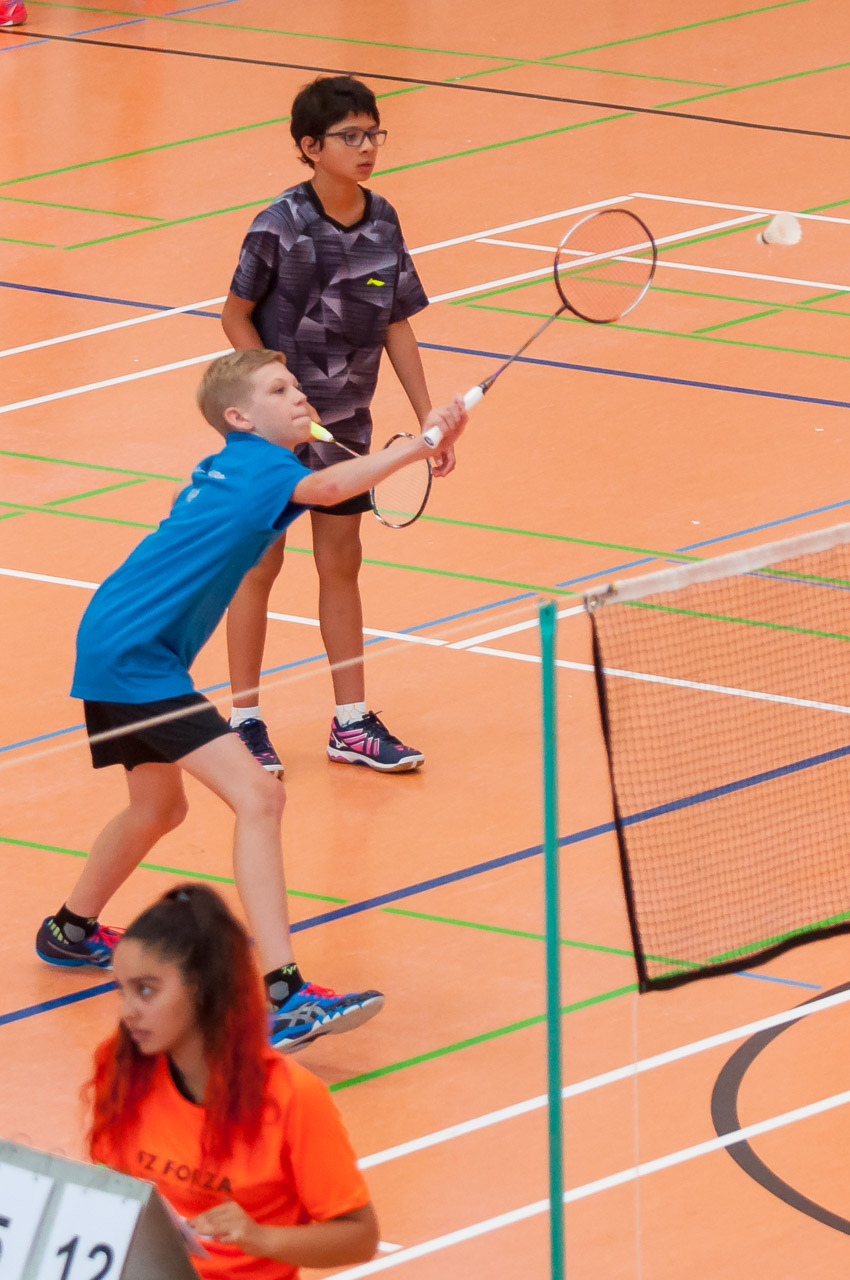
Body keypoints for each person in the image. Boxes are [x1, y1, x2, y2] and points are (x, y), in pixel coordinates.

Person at [36, 348, 467, 1051]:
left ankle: (69, 930)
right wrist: (420, 445)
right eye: (279, 389)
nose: (300, 396)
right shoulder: (261, 466)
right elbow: (332, 488)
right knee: (260, 797)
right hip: (136, 659)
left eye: (297, 385)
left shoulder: (242, 468)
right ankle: (284, 995)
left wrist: (417, 445)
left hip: (120, 642)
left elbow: (327, 484)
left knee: (159, 808)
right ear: (239, 417)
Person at [222, 74, 448, 778]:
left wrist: (426, 413)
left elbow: (397, 322)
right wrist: (276, 391)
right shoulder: (279, 225)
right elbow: (234, 315)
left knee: (341, 563)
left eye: (373, 134)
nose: (367, 147)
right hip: (272, 432)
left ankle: (351, 723)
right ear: (310, 147)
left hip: (347, 424)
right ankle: (243, 721)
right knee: (260, 564)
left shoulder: (384, 220)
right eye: (350, 136)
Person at [87, 884, 380, 1279]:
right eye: (122, 990)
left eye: (146, 990)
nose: (128, 1011)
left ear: (203, 989)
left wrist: (260, 1238)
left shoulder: (294, 1097)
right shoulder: (122, 1067)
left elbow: (360, 1236)